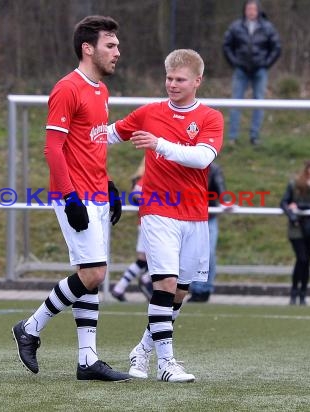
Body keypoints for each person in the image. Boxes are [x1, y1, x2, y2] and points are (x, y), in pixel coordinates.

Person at [11, 15, 131, 382]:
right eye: (110, 45)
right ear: (88, 48)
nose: (117, 52)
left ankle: (87, 360)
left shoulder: (101, 91)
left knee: (90, 276)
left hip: (95, 194)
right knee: (95, 273)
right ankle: (30, 328)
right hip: (74, 196)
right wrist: (70, 198)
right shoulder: (67, 88)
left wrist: (108, 187)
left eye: (117, 45)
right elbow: (53, 149)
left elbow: (91, 145)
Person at [108, 49, 224, 382]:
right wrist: (75, 135)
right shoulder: (149, 112)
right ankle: (166, 364)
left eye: (179, 79)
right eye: (168, 78)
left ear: (197, 81)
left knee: (180, 292)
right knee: (165, 283)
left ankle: (142, 350)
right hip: (158, 211)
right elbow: (111, 134)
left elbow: (202, 158)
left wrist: (159, 144)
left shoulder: (209, 118)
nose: (172, 84)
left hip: (195, 215)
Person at [222, 0, 281, 145]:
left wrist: (266, 64)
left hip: (260, 70)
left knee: (259, 102)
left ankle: (254, 137)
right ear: (245, 10)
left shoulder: (267, 27)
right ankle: (232, 137)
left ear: (258, 10)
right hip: (241, 70)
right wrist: (234, 62)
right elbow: (226, 46)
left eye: (253, 9)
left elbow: (277, 47)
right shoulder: (236, 27)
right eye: (248, 8)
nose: (251, 11)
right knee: (236, 102)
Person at [280, 160, 310, 306]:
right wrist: (292, 214)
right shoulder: (295, 185)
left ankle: (303, 293)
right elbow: (283, 202)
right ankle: (294, 291)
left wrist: (298, 206)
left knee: (307, 261)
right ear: (309, 170)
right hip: (296, 226)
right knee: (302, 258)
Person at [111, 159, 153, 302]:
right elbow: (136, 194)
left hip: (149, 221)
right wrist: (156, 203)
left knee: (142, 260)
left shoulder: (148, 174)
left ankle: (120, 288)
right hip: (152, 222)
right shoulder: (150, 174)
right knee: (163, 257)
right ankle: (147, 279)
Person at [188, 161, 227, 303]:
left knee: (208, 254)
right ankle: (195, 289)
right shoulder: (185, 165)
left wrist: (226, 202)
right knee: (191, 253)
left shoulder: (214, 169)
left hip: (207, 217)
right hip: (187, 216)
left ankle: (205, 289)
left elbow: (221, 189)